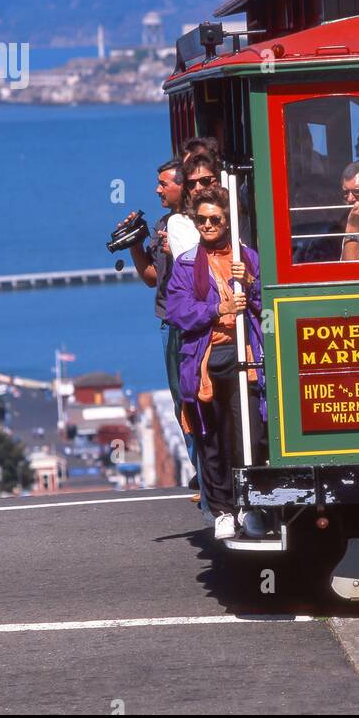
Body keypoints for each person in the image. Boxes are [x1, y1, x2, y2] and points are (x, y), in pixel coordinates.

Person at [165, 187, 266, 540]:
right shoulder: (188, 264)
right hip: (206, 361)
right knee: (212, 438)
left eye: (215, 219)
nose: (207, 225)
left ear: (228, 221)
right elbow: (179, 312)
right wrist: (217, 309)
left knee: (249, 436)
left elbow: (267, 306)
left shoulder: (248, 259)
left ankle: (250, 507)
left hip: (246, 357)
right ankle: (223, 510)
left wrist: (252, 284)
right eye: (202, 219)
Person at [121, 159, 202, 500]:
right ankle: (200, 469)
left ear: (181, 187)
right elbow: (153, 277)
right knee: (180, 400)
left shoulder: (202, 222)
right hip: (170, 322)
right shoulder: (163, 224)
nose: (157, 190)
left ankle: (211, 468)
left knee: (199, 396)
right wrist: (136, 244)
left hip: (194, 321)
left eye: (163, 184)